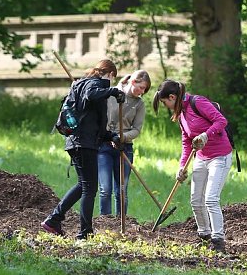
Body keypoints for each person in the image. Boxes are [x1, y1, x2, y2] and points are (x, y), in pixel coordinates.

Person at [42, 59, 126, 239]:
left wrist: (111, 136)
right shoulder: (92, 84)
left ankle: (54, 220)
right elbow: (91, 94)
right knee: (89, 189)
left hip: (80, 142)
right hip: (83, 144)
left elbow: (93, 125)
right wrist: (113, 91)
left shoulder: (83, 84)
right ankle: (84, 232)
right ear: (110, 74)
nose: (111, 82)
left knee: (84, 186)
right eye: (112, 78)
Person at [152, 80, 233, 253]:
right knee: (196, 200)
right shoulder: (181, 115)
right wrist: (182, 167)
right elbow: (186, 143)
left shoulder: (198, 103)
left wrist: (205, 135)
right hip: (201, 158)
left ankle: (218, 241)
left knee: (210, 199)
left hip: (220, 156)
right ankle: (204, 235)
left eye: (165, 103)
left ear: (172, 97)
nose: (166, 106)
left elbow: (221, 121)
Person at [98, 70, 151, 216]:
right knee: (105, 189)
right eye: (141, 87)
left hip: (124, 148)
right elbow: (102, 119)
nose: (141, 92)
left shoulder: (139, 104)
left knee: (121, 190)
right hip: (104, 146)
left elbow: (136, 129)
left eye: (144, 90)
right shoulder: (112, 94)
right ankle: (105, 223)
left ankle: (121, 223)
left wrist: (122, 137)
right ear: (133, 81)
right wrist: (110, 136)